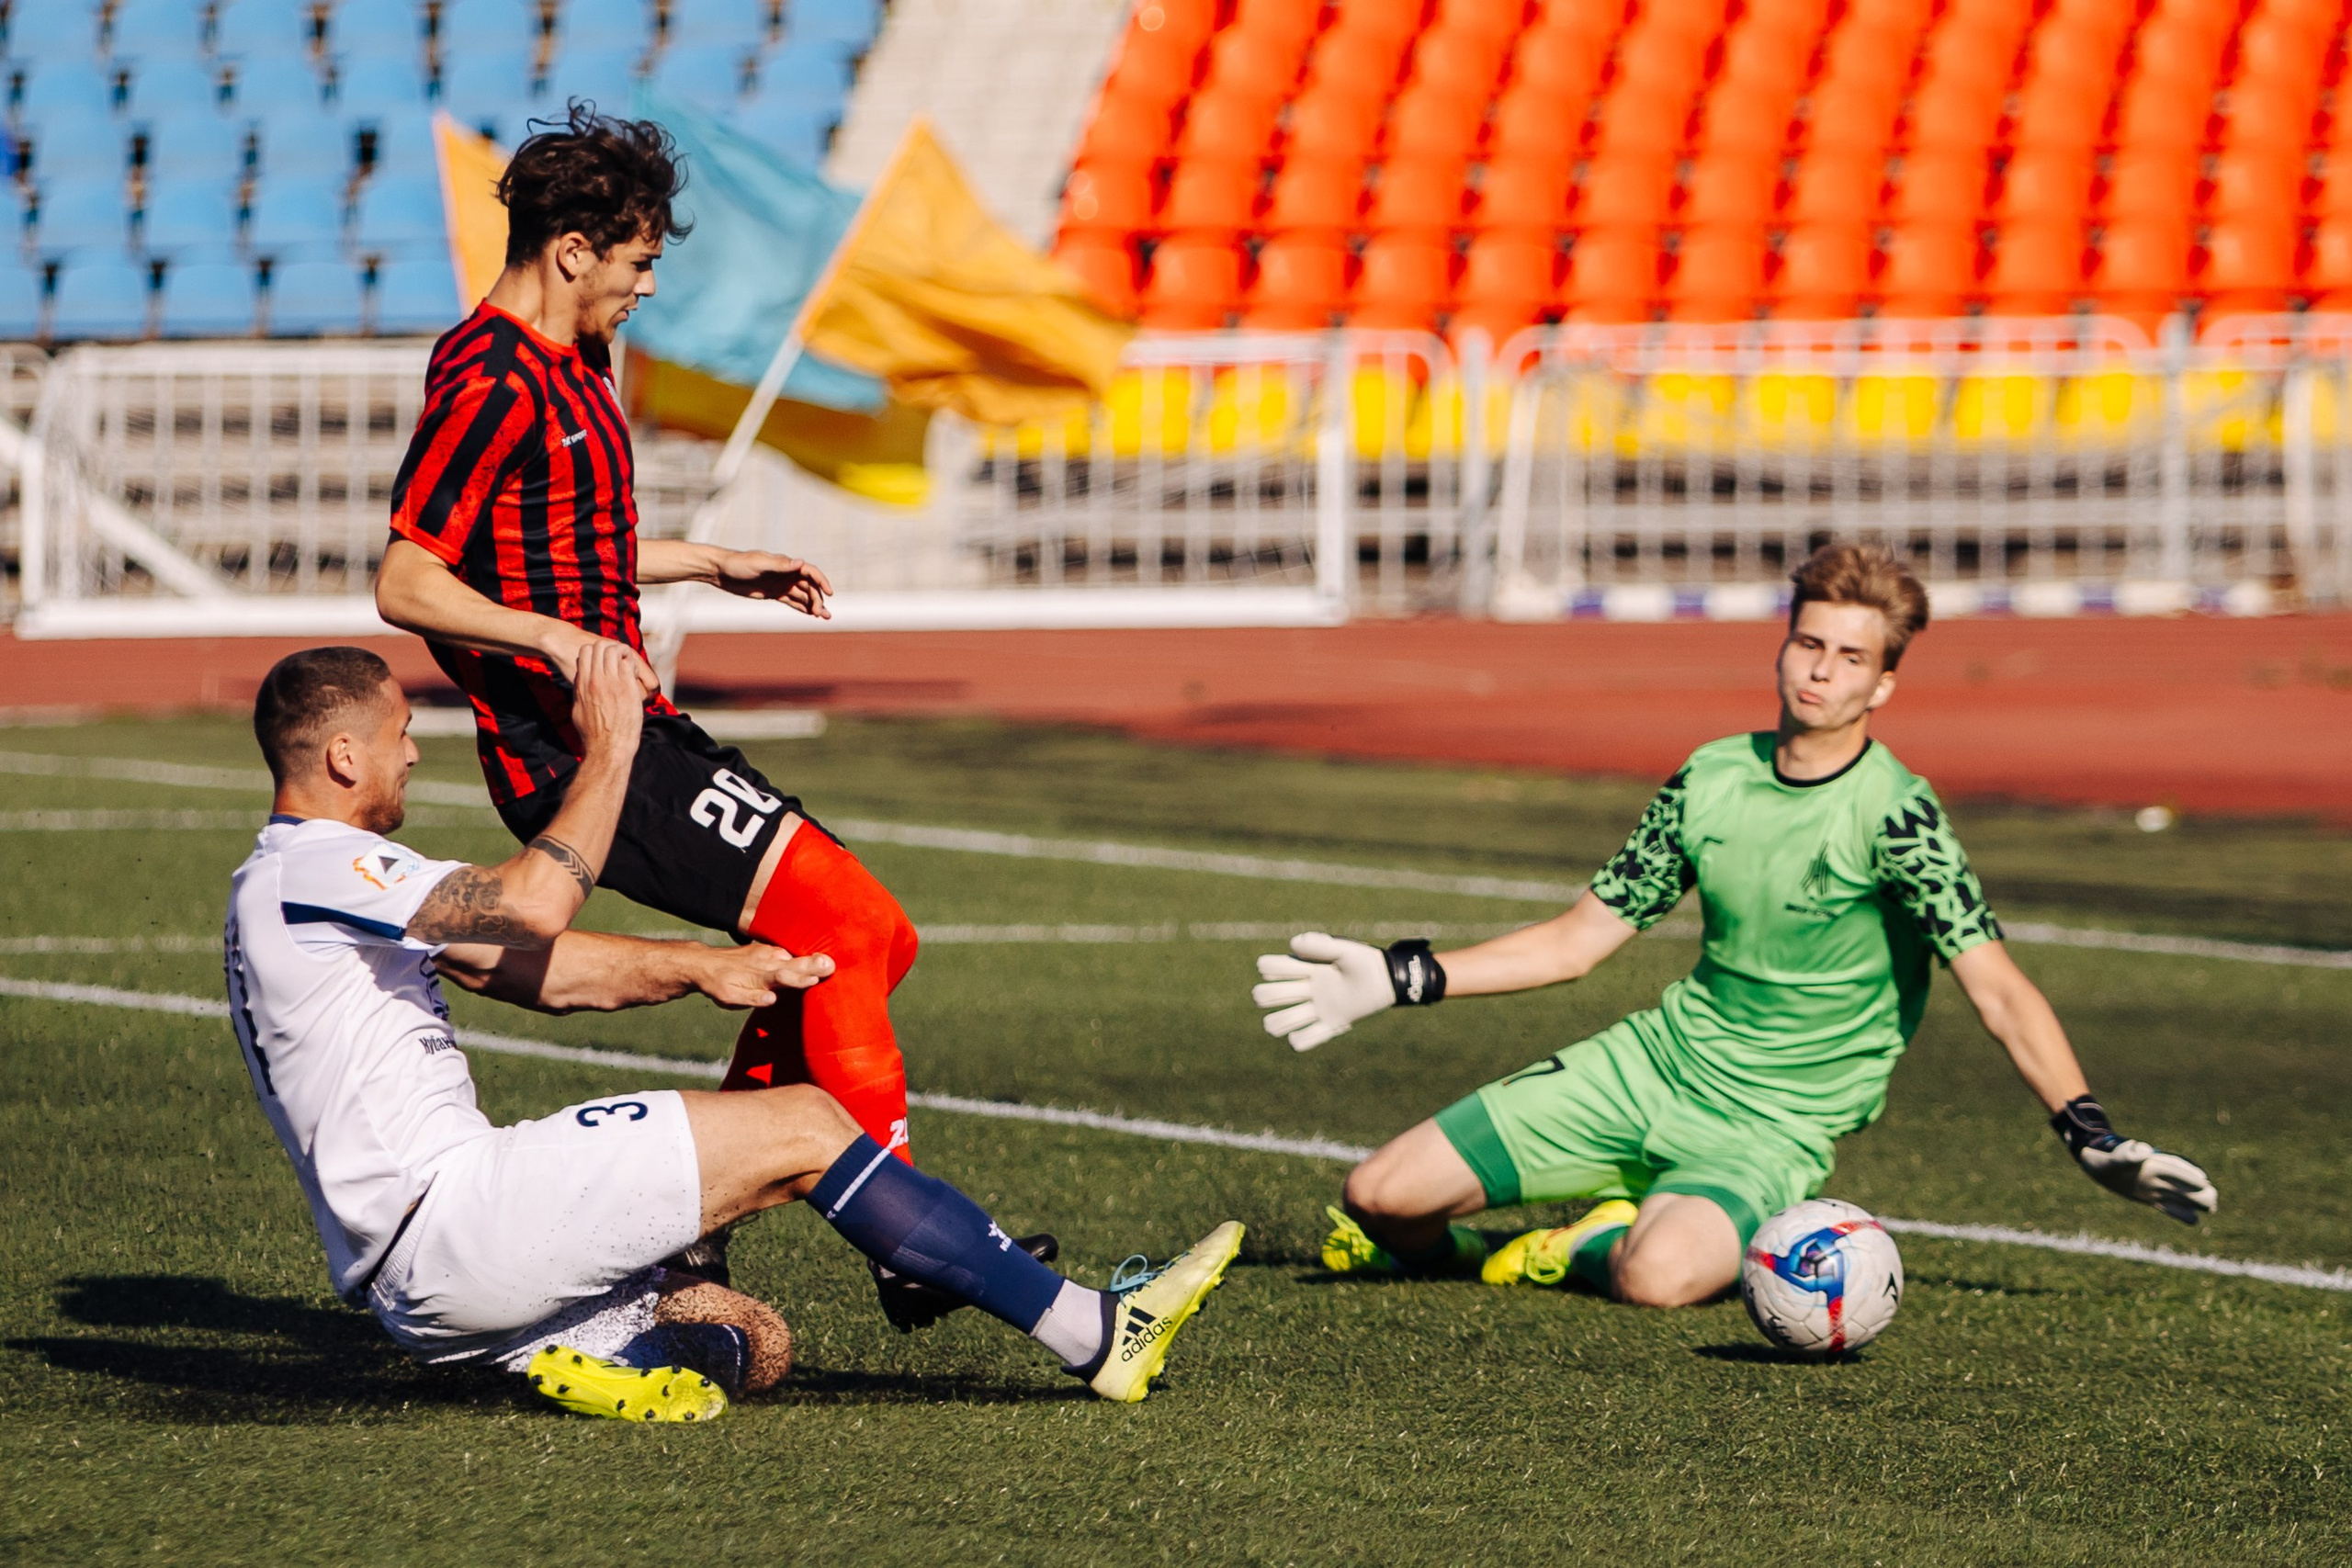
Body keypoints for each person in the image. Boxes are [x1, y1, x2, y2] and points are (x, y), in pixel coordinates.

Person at [225, 645, 1240, 1421]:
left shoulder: (297, 886)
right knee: (804, 1124)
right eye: (400, 732)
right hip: (457, 1221)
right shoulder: (312, 865)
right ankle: (1095, 1331)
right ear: (342, 753)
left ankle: (598, 1364)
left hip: (430, 1291)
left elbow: (535, 970)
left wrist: (709, 968)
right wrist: (614, 745)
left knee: (750, 1337)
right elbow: (532, 910)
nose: (412, 750)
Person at [371, 104, 988, 1315]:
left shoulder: (575, 360)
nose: (647, 286)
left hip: (631, 721)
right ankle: (909, 1237)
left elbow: (564, 546)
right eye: (639, 260)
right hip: (576, 746)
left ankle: (698, 1240)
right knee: (850, 920)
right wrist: (554, 637)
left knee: (852, 949)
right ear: (570, 251)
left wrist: (709, 562)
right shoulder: (486, 372)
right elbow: (407, 575)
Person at [1250, 543, 2216, 1307]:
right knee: (1377, 1198)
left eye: (1850, 658)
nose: (1820, 672)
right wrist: (1401, 976)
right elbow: (1577, 941)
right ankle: (1468, 1249)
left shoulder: (1899, 817)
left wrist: (2088, 1134)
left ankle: (1587, 1244)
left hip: (1770, 1125)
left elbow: (1998, 988)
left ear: (1882, 685)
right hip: (1652, 1066)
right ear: (1783, 645)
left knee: (1652, 1278)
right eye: (1808, 645)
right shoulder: (1710, 777)